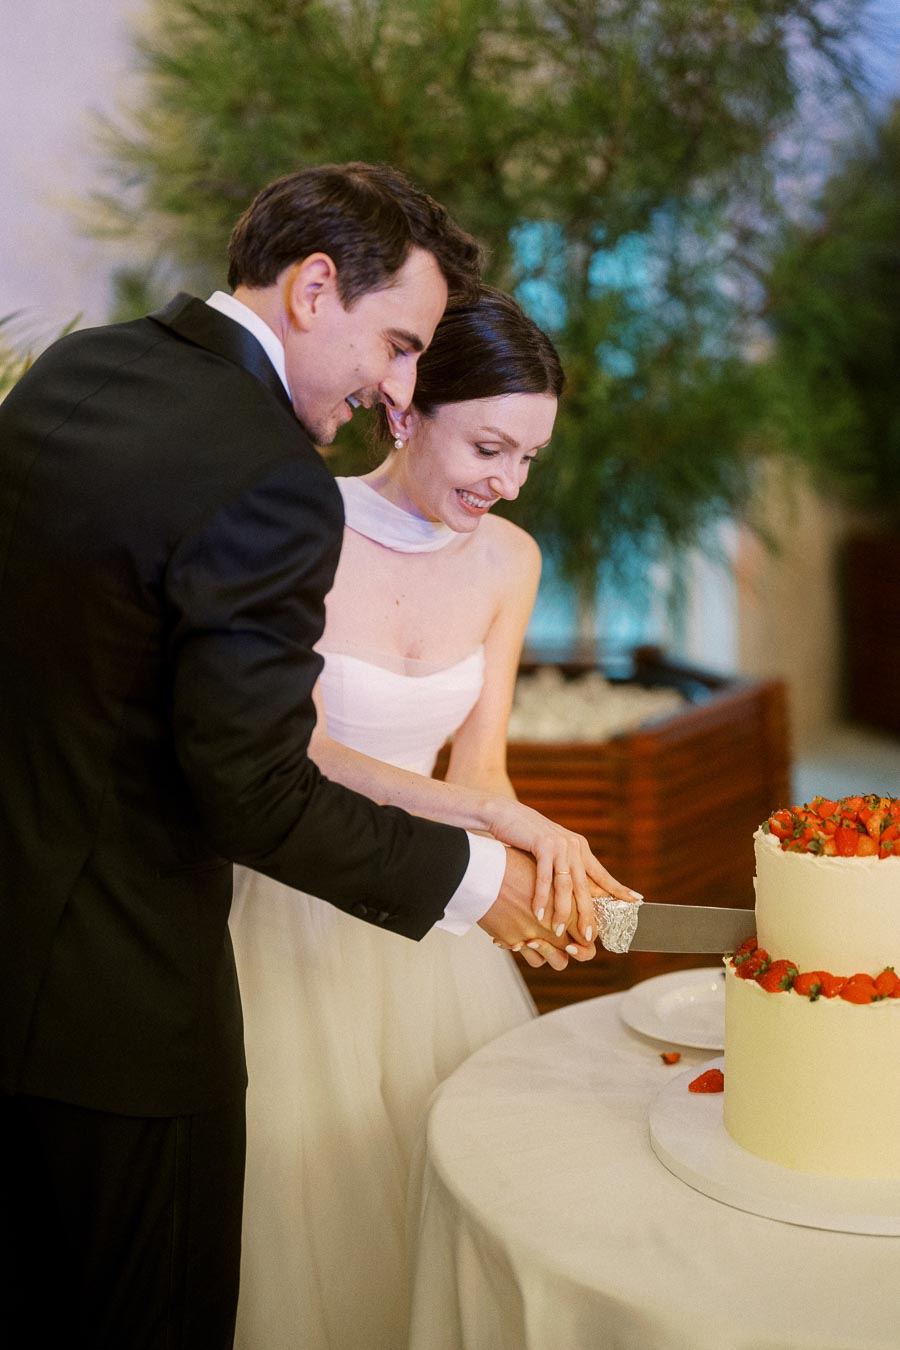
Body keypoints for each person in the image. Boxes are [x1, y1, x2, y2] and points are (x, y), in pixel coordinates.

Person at [0, 163, 632, 1350]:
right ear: (313, 286)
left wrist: (495, 822)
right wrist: (477, 884)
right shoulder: (275, 483)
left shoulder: (82, 371)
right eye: (396, 346)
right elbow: (254, 779)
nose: (395, 387)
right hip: (143, 989)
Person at [230, 286, 634, 1349]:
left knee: (446, 1171)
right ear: (404, 408)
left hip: (430, 910)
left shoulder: (511, 561)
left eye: (529, 460)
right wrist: (489, 821)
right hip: (293, 896)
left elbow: (483, 761)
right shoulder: (299, 527)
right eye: (489, 447)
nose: (505, 484)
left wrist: (538, 863)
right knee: (303, 1183)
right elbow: (300, 751)